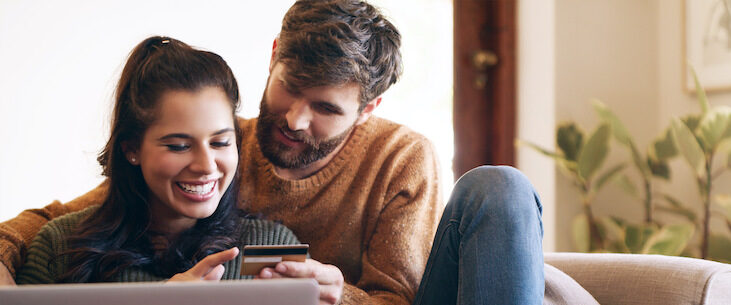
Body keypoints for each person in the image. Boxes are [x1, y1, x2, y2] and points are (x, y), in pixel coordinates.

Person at [0, 1, 544, 304]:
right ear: (274, 55)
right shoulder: (221, 146)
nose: (294, 120)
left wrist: (339, 295)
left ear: (368, 108)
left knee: (499, 188)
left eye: (325, 108)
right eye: (290, 87)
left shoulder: (401, 159)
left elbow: (399, 301)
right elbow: (79, 216)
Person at [13, 35, 342, 287]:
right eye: (179, 146)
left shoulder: (272, 249)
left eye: (220, 142)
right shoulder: (60, 249)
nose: (206, 165)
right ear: (131, 149)